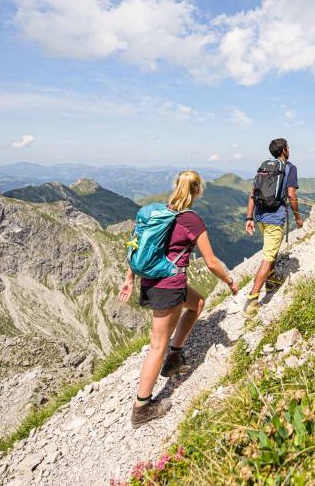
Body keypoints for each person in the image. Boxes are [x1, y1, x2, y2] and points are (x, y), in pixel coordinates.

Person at [117, 170, 239, 427]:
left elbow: (137, 244)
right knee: (156, 346)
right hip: (168, 285)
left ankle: (174, 358)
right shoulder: (192, 220)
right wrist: (229, 281)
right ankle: (141, 407)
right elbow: (211, 262)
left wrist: (130, 278)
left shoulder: (160, 212)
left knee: (198, 304)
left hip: (154, 281)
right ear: (198, 191)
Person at [244, 138, 303, 311]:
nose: (289, 150)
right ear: (284, 150)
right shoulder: (290, 168)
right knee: (268, 258)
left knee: (273, 249)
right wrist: (298, 217)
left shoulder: (264, 166)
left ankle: (271, 282)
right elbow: (292, 195)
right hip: (274, 219)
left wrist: (249, 218)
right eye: (288, 147)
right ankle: (252, 300)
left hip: (260, 217)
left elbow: (253, 193)